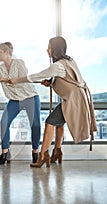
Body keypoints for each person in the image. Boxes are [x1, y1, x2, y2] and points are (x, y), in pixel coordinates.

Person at [6, 36, 97, 168]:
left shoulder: (58, 65)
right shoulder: (69, 61)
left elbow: (37, 75)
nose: (47, 50)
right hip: (77, 98)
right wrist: (50, 83)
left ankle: (43, 156)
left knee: (49, 122)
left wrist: (16, 80)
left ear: (54, 49)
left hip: (74, 101)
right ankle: (57, 151)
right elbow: (68, 80)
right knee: (58, 123)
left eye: (49, 47)